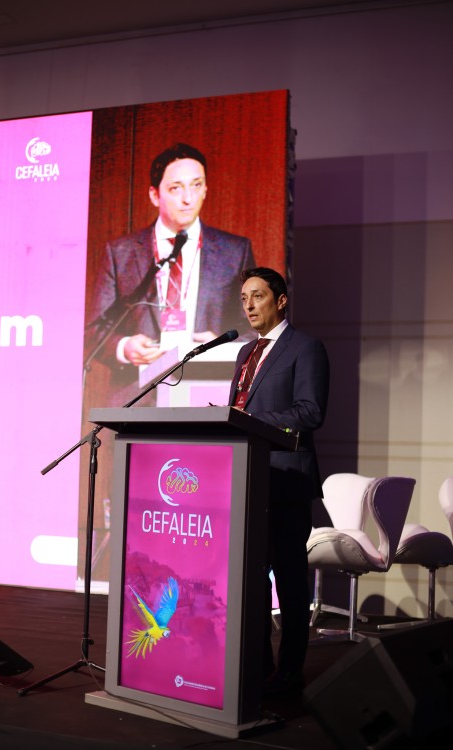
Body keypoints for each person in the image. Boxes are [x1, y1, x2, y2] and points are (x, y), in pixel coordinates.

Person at [85, 142, 255, 400]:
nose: (188, 198)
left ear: (205, 189)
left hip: (209, 395)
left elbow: (256, 328)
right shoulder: (121, 253)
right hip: (136, 398)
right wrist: (124, 347)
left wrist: (221, 346)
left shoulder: (235, 251)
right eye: (176, 188)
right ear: (155, 195)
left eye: (196, 185)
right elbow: (95, 330)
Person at [228, 267, 329, 697]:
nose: (249, 305)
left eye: (258, 296)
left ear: (281, 300)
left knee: (289, 580)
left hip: (287, 481)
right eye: (244, 298)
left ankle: (290, 672)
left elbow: (310, 412)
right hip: (250, 479)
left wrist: (248, 419)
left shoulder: (305, 347)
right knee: (249, 578)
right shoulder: (245, 353)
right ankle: (259, 666)